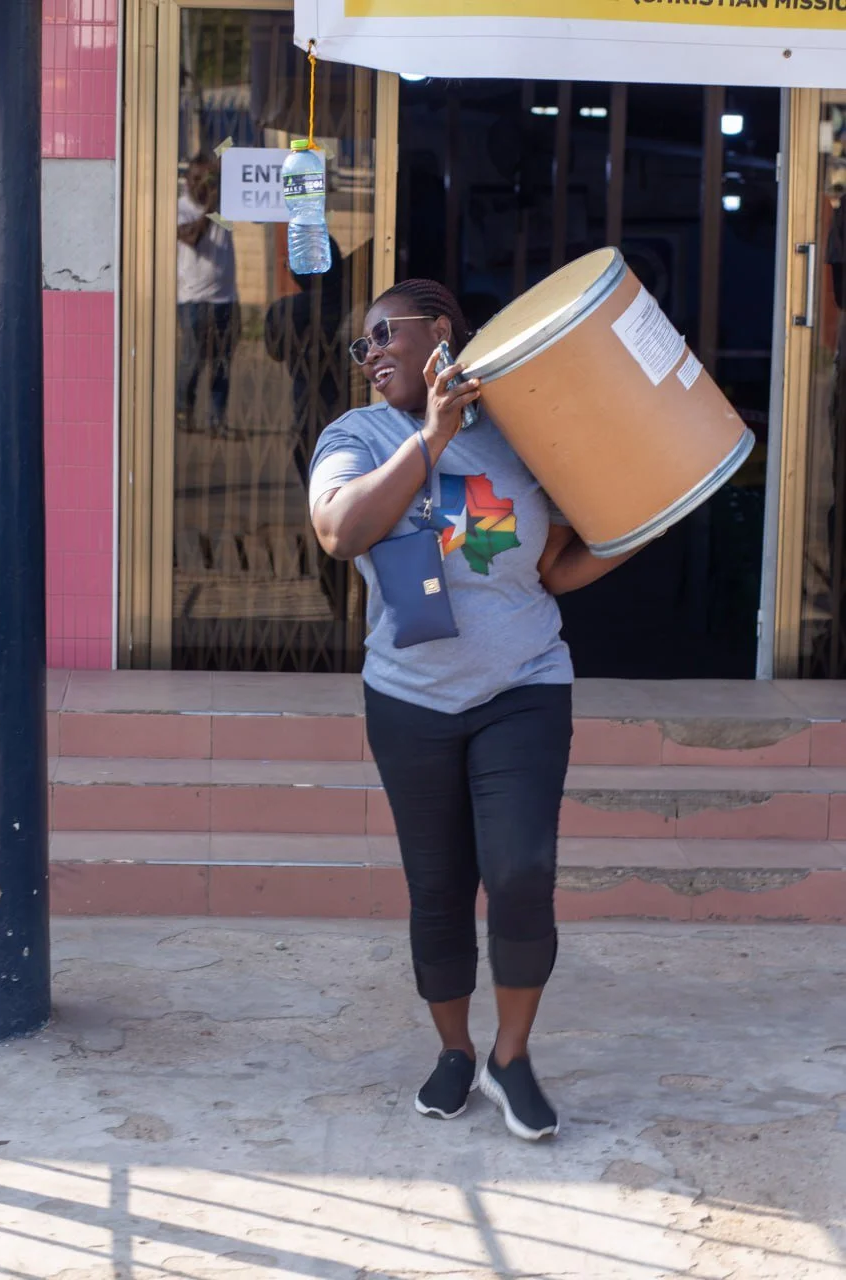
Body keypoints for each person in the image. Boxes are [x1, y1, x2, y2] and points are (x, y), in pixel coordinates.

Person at [308, 279, 630, 1141]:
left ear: (440, 331)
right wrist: (431, 438)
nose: (370, 350)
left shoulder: (521, 432)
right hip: (409, 699)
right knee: (438, 887)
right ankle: (453, 1051)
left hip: (523, 683)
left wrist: (640, 530)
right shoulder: (356, 436)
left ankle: (511, 1057)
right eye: (359, 345)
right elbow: (341, 530)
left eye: (386, 332)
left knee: (520, 870)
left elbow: (554, 569)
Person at [176, 154, 239, 437]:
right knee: (193, 360)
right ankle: (183, 413)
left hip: (226, 299)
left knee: (222, 364)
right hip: (193, 300)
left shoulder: (224, 207)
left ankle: (217, 421)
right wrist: (211, 208)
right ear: (187, 181)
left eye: (209, 179)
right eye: (198, 179)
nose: (203, 185)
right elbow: (192, 238)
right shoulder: (180, 209)